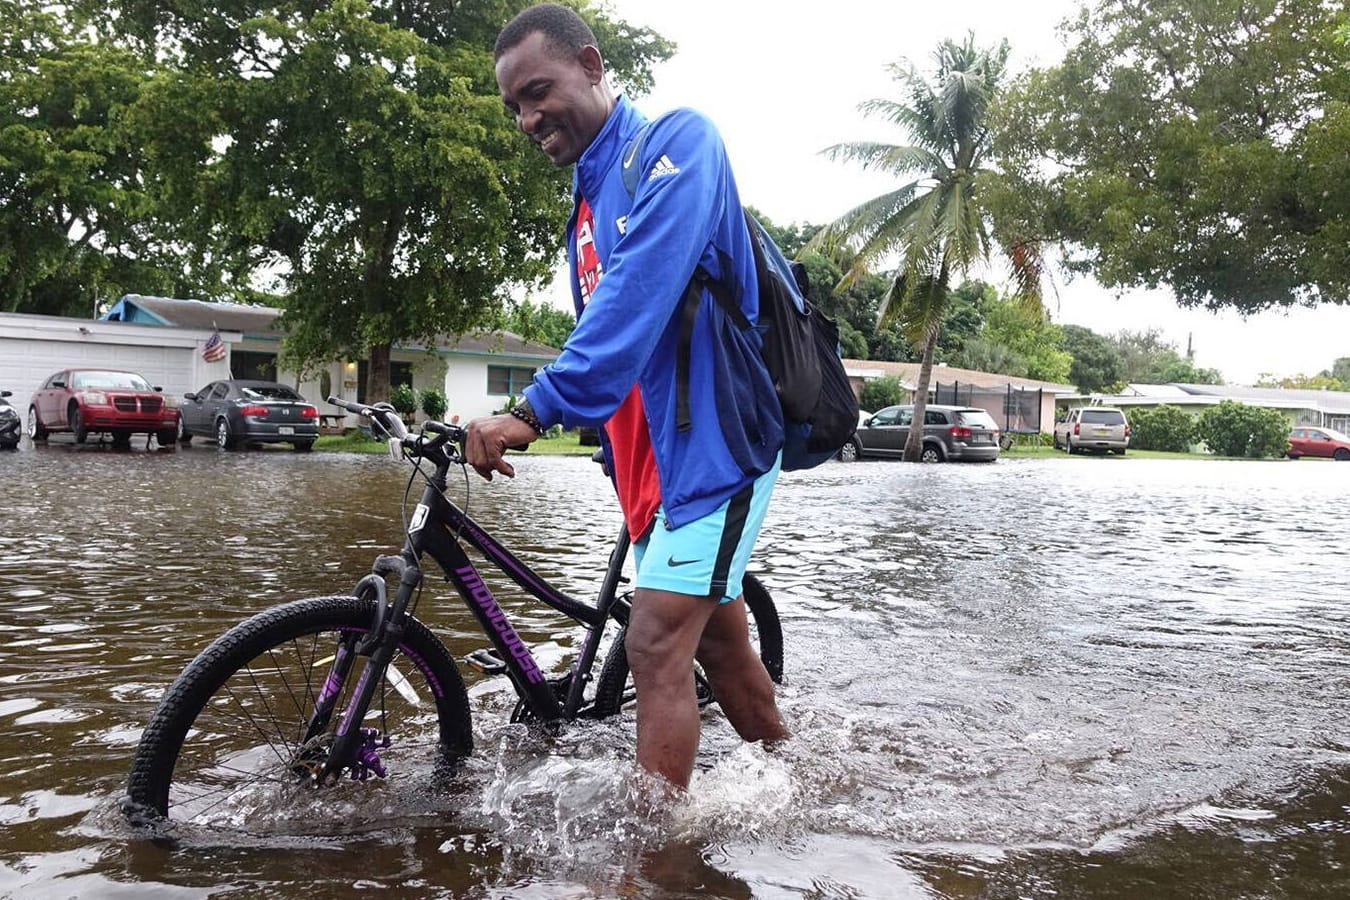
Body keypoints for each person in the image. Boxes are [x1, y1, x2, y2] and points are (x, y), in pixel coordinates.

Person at [468, 2, 788, 793]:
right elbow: (614, 351)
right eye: (513, 105)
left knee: (650, 645)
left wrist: (533, 407)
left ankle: (652, 861)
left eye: (538, 90)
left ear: (591, 63)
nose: (527, 117)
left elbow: (634, 300)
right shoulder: (586, 199)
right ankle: (796, 771)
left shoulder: (678, 144)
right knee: (715, 644)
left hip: (715, 452)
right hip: (651, 473)